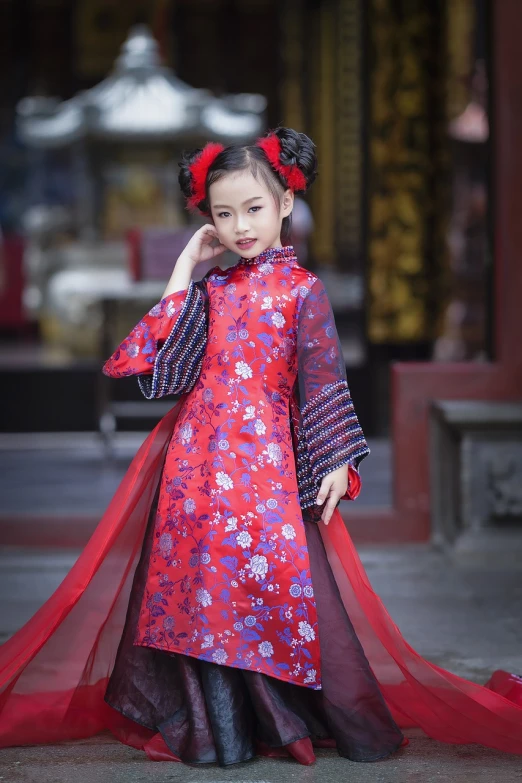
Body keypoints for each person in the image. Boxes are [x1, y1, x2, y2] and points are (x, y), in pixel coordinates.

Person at [1, 128, 522, 767]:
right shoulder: (211, 292)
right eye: (223, 213)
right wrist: (184, 268)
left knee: (270, 590)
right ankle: (218, 730)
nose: (240, 226)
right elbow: (158, 374)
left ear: (284, 204)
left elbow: (324, 379)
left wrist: (334, 458)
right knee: (199, 595)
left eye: (253, 208)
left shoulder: (303, 292)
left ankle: (279, 719)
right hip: (192, 466)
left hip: (263, 467)